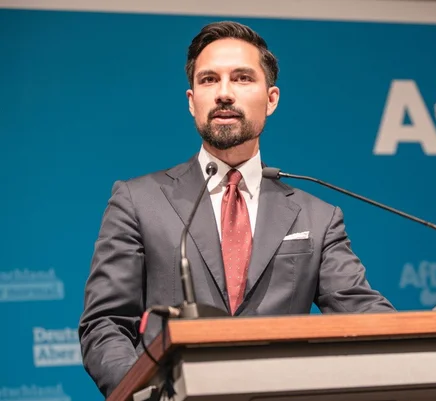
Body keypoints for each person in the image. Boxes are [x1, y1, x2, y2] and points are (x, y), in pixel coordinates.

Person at [78, 20, 395, 397]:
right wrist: (146, 395)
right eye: (209, 80)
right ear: (192, 100)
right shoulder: (137, 201)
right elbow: (105, 324)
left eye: (242, 78)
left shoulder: (318, 217)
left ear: (272, 99)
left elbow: (363, 313)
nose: (224, 93)